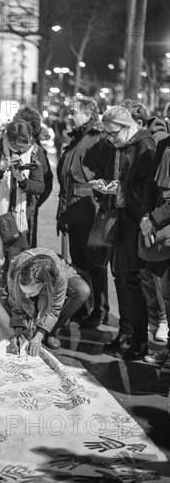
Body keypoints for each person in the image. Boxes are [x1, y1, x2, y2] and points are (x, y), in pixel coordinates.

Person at [86, 106, 156, 360]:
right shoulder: (125, 145)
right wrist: (109, 187)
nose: (110, 139)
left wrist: (120, 191)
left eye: (113, 133)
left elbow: (146, 190)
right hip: (121, 219)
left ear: (128, 127)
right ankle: (126, 335)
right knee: (122, 279)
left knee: (131, 281)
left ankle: (139, 341)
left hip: (134, 222)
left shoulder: (145, 146)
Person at [0, 119, 45, 310]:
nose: (21, 151)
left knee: (19, 267)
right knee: (0, 267)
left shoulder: (35, 152)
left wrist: (22, 180)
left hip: (21, 220)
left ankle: (18, 308)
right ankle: (7, 307)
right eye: (16, 146)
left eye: (24, 147)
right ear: (8, 139)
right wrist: (0, 169)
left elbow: (40, 186)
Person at [57, 96, 109, 328]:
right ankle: (85, 307)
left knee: (95, 265)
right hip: (75, 213)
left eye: (73, 112)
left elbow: (101, 177)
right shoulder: (78, 140)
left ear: (88, 115)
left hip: (90, 212)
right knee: (80, 264)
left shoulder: (97, 139)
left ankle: (100, 310)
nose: (68, 116)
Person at [123, 98, 169, 343]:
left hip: (158, 220)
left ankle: (160, 322)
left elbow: (154, 186)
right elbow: (152, 184)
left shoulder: (154, 142)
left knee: (157, 279)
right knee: (155, 281)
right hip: (151, 218)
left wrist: (151, 216)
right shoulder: (158, 144)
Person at [8, 249, 92, 353]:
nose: (26, 296)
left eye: (31, 293)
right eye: (23, 291)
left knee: (82, 290)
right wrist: (18, 331)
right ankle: (32, 325)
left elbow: (54, 308)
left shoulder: (59, 274)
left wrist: (40, 334)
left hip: (57, 271)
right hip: (29, 271)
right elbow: (15, 305)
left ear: (44, 285)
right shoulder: (15, 271)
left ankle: (51, 330)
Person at [140, 131, 170, 374]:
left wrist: (153, 217)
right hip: (162, 228)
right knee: (166, 291)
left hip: (164, 222)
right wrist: (147, 216)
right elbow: (154, 185)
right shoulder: (164, 144)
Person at [13, 105, 53, 248]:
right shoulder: (6, 146)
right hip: (7, 209)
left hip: (28, 209)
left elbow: (47, 183)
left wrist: (35, 202)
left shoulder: (38, 152)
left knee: (26, 251)